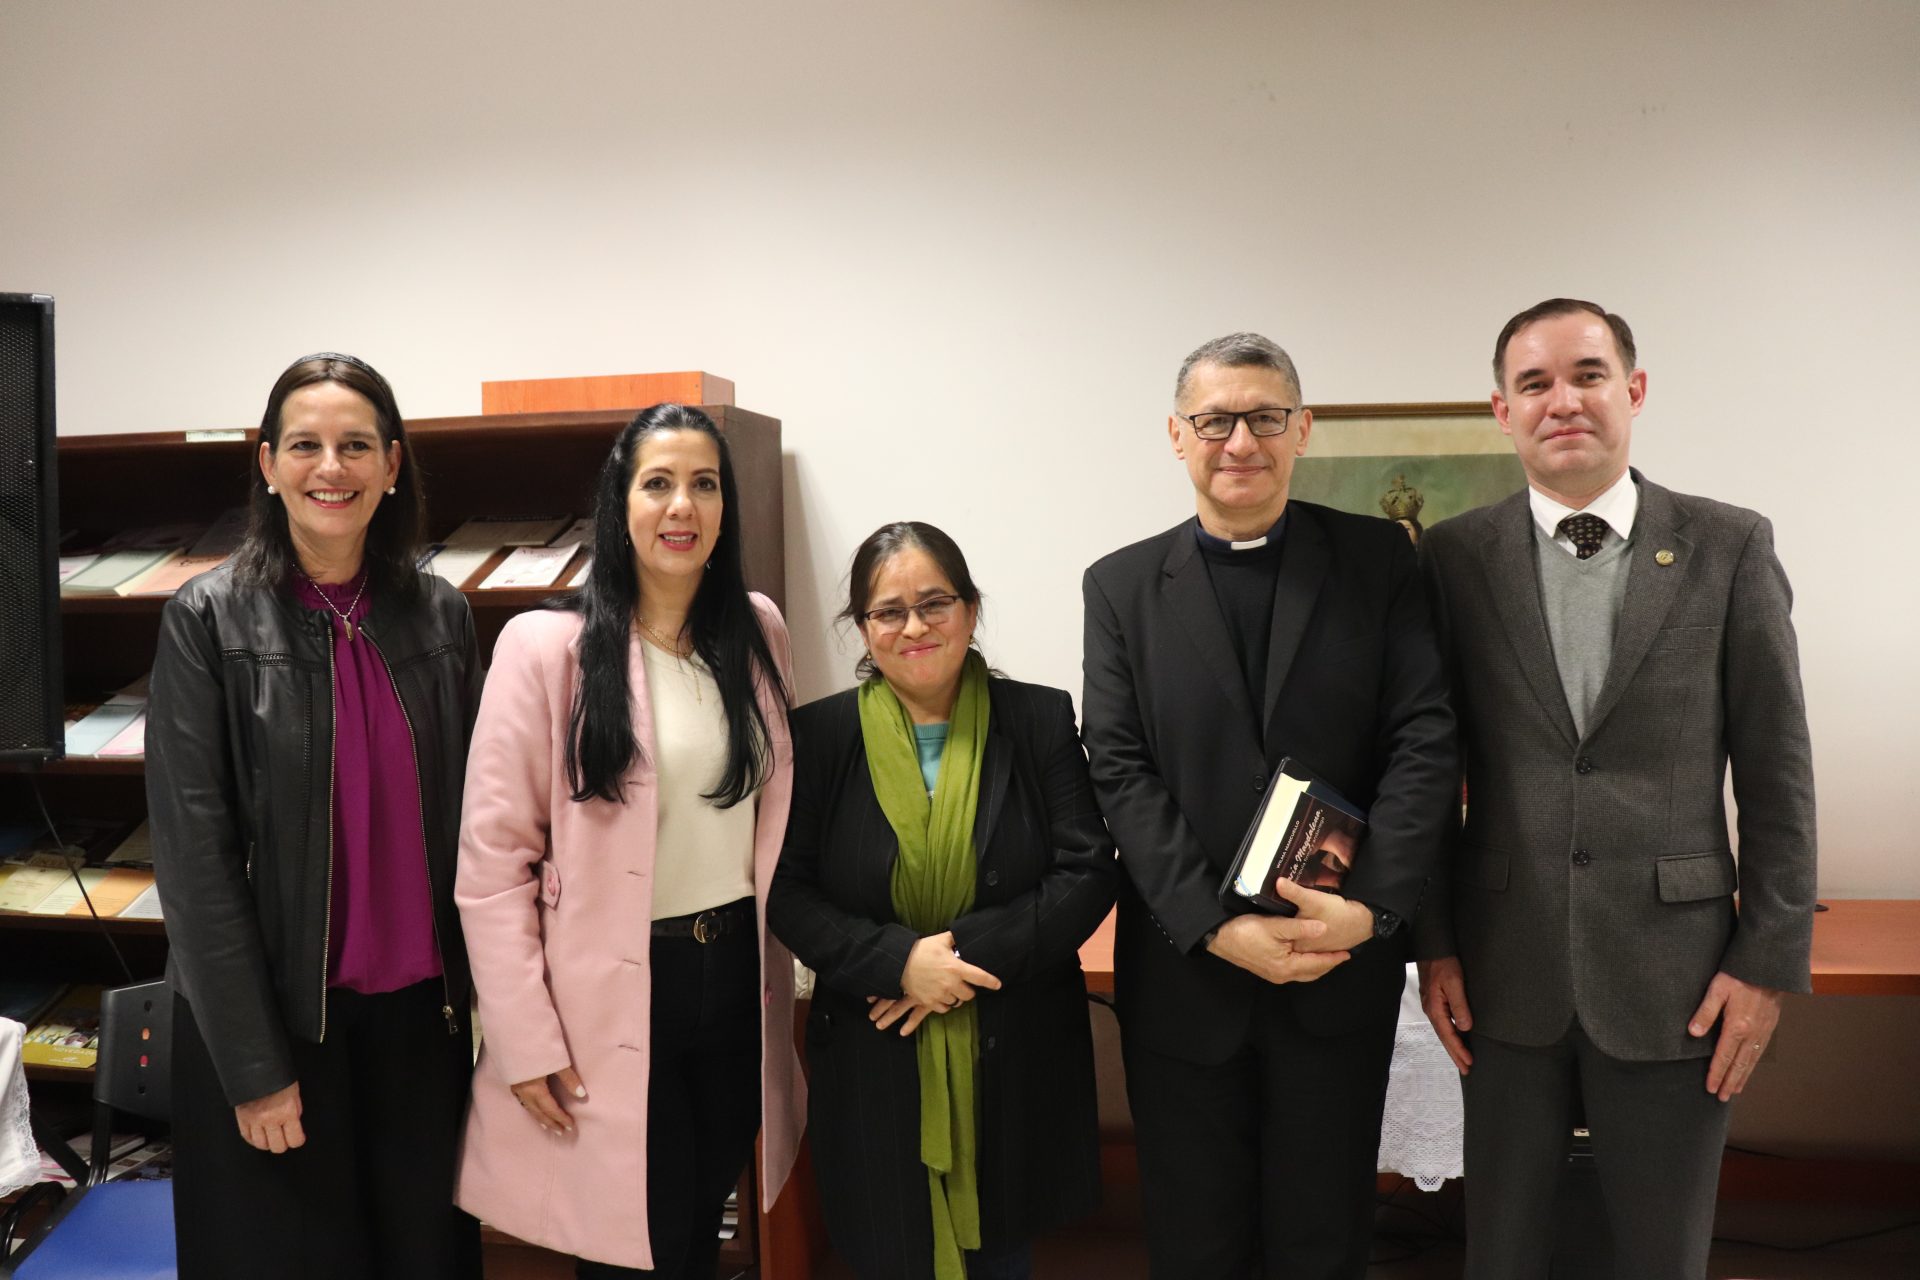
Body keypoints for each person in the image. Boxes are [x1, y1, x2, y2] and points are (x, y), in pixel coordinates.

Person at [1413, 298, 1817, 1278]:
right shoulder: (1453, 559)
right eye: (1534, 383)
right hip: (1502, 971)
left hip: (1679, 977)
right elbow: (1424, 769)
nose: (1563, 400)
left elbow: (1778, 773)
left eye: (1587, 374)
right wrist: (1433, 941)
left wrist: (1766, 962)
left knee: (1660, 1257)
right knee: (1502, 1254)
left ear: (1633, 391)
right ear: (1503, 411)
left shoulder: (1729, 545)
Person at [1081, 333, 1456, 1278]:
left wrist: (1371, 910)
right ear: (1177, 434)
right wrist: (1214, 926)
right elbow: (1119, 769)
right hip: (1186, 979)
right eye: (1215, 420)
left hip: (1337, 965)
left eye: (1264, 417)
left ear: (1303, 430)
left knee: (1322, 1239)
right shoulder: (1120, 586)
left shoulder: (1377, 560)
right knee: (1194, 1242)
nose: (1240, 441)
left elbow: (1423, 740)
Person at [147, 352, 482, 1279]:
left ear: (392, 464)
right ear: (267, 463)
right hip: (279, 1023)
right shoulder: (206, 620)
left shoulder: (443, 616)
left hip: (422, 1027)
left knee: (426, 1260)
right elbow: (196, 863)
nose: (330, 468)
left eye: (355, 446)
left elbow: (484, 825)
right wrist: (254, 1067)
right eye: (304, 445)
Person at [453, 404, 803, 1277]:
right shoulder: (547, 647)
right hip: (612, 995)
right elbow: (493, 867)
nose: (682, 506)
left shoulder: (757, 629)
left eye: (704, 484)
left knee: (697, 1228)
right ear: (621, 503)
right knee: (631, 1246)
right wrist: (523, 1039)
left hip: (734, 981)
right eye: (658, 484)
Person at [768, 522, 1116, 1280]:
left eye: (935, 603)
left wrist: (956, 961)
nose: (915, 626)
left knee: (1002, 1256)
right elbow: (786, 890)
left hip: (1012, 1043)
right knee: (885, 1249)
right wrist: (899, 963)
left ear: (970, 609)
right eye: (889, 611)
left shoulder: (1038, 719)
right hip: (873, 1052)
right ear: (863, 627)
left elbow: (1088, 869)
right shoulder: (818, 737)